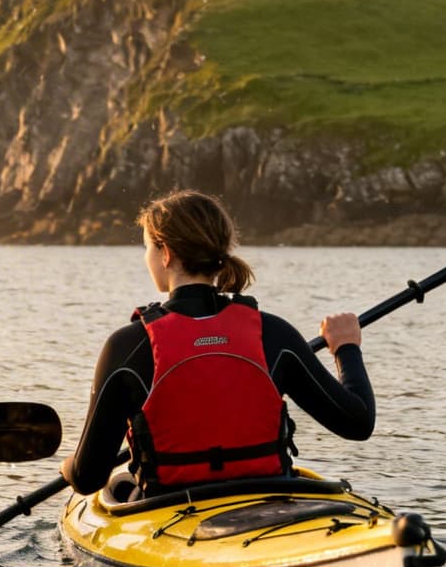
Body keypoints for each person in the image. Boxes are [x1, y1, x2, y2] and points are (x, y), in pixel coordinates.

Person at [60, 189, 375, 500]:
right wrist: (346, 347)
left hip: (168, 508)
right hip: (271, 500)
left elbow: (88, 478)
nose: (146, 258)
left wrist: (67, 466)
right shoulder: (275, 334)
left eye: (147, 248)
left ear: (166, 253)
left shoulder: (127, 345)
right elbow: (357, 423)